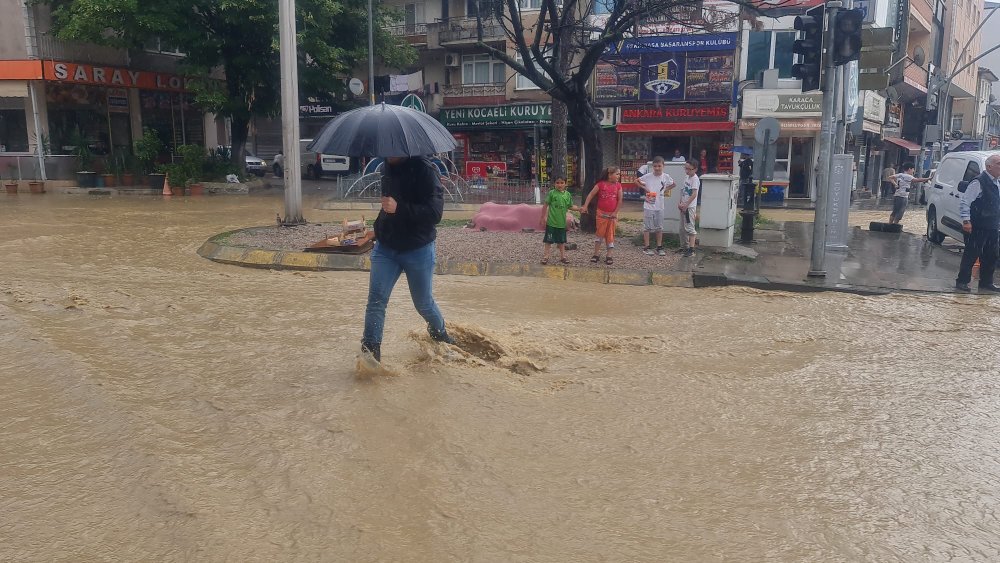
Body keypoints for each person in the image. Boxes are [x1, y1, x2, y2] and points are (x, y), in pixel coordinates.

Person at [360, 155, 454, 363]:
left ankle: (441, 337)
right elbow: (388, 207)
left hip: (418, 248)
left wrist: (399, 208)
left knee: (424, 304)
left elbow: (435, 213)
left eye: (391, 150)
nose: (387, 153)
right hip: (386, 248)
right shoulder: (386, 167)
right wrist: (376, 230)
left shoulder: (427, 171)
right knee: (376, 301)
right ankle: (369, 355)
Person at [955, 154, 1000, 293]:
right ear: (989, 166)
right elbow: (965, 202)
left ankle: (986, 282)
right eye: (999, 163)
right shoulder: (979, 182)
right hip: (977, 225)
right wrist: (966, 221)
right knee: (971, 254)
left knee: (991, 255)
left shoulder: (997, 182)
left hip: (992, 225)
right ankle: (962, 281)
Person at [582, 166, 624, 265]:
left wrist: (615, 212)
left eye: (619, 174)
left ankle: (609, 255)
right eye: (617, 174)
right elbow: (590, 195)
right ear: (610, 174)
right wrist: (585, 206)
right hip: (601, 215)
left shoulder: (618, 186)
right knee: (599, 235)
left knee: (610, 235)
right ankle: (596, 254)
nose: (619, 176)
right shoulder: (600, 185)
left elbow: (620, 200)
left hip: (612, 216)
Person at [636, 156, 676, 256]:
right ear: (652, 166)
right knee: (647, 227)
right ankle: (646, 247)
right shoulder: (648, 176)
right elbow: (636, 181)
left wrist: (664, 190)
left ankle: (659, 247)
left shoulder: (666, 176)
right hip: (649, 203)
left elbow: (673, 184)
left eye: (659, 166)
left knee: (659, 227)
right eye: (655, 166)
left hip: (660, 205)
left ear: (663, 166)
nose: (657, 168)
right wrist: (645, 189)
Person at [539, 176, 580, 264]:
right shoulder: (551, 193)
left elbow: (570, 206)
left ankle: (563, 257)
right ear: (554, 184)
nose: (559, 185)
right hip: (551, 223)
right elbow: (545, 205)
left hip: (561, 223)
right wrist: (543, 217)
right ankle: (546, 256)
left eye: (562, 183)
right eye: (557, 183)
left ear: (565, 184)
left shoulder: (567, 195)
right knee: (548, 241)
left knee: (561, 241)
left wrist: (580, 209)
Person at [678, 159, 701, 258]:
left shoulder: (695, 179)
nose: (687, 171)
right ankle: (684, 247)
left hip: (689, 207)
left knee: (690, 228)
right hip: (683, 205)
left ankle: (691, 249)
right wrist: (680, 202)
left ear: (695, 169)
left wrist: (686, 204)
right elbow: (683, 190)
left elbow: (694, 194)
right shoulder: (687, 177)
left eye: (689, 169)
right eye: (685, 168)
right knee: (682, 228)